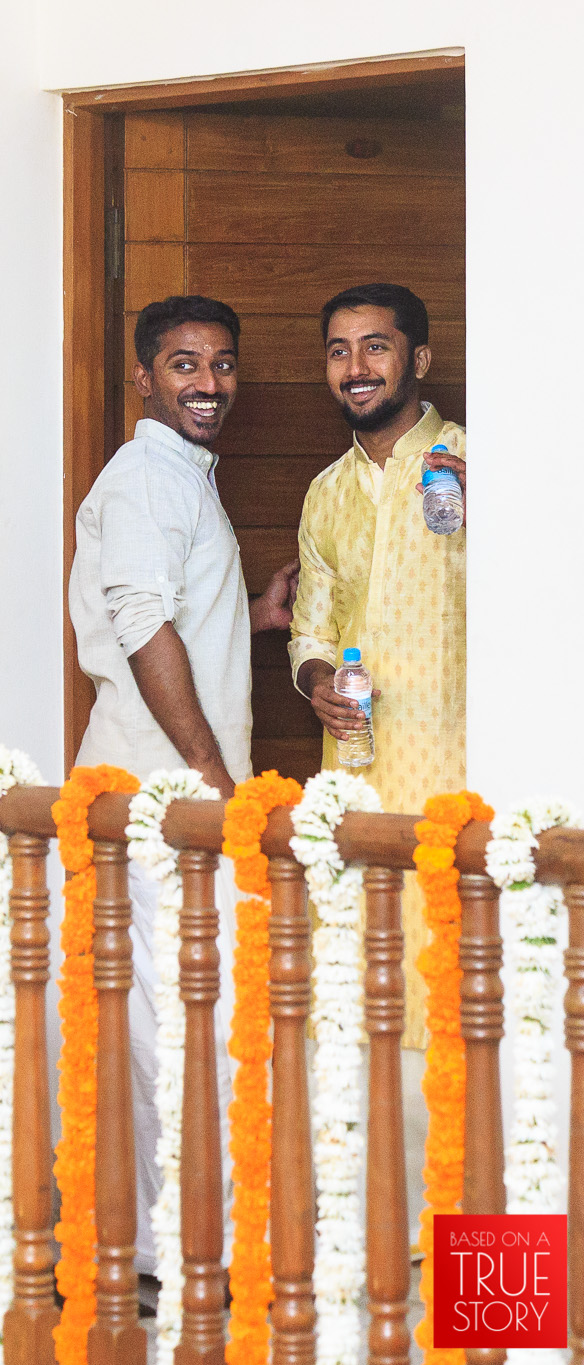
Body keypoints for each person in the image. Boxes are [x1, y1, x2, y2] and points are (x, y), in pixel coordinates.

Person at [68, 295, 299, 1283]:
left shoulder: (177, 477)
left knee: (172, 1022)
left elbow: (169, 616)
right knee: (182, 1027)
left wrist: (249, 615)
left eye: (222, 363)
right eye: (183, 364)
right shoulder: (143, 481)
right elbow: (138, 623)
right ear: (143, 377)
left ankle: (175, 1246)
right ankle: (191, 1253)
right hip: (167, 802)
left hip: (166, 796)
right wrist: (209, 770)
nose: (208, 383)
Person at [290, 282, 466, 1047]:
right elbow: (310, 630)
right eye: (339, 351)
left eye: (375, 347)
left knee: (454, 969)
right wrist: (318, 683)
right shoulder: (325, 494)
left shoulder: (472, 461)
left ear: (417, 359)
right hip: (356, 769)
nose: (355, 368)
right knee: (356, 991)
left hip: (461, 764)